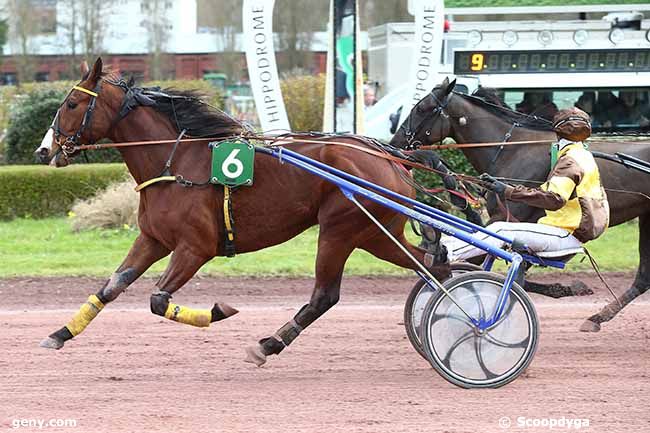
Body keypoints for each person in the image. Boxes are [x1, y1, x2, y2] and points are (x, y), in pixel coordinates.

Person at [441, 107, 609, 262]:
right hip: (568, 234)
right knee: (500, 230)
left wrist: (507, 191)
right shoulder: (583, 156)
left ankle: (446, 253)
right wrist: (503, 188)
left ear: (557, 132)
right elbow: (545, 193)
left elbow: (553, 199)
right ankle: (451, 248)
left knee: (500, 229)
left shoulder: (569, 160)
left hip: (564, 235)